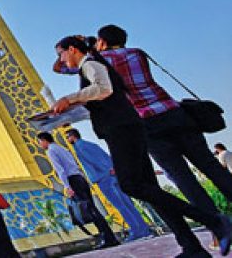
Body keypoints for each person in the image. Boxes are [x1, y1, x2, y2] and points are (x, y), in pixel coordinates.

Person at [51, 35, 231, 257]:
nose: (60, 58)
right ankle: (191, 245)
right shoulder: (132, 54)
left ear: (73, 49)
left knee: (138, 184)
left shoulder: (93, 63)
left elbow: (101, 88)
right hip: (164, 118)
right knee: (157, 187)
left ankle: (214, 221)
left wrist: (69, 99)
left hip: (129, 128)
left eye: (61, 52)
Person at [65, 128, 153, 241]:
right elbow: (105, 156)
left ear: (73, 136)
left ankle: (137, 231)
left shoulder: (79, 147)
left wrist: (105, 170)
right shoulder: (90, 144)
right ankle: (143, 228)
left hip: (104, 178)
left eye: (68, 137)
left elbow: (94, 160)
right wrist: (113, 168)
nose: (67, 139)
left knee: (121, 206)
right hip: (113, 175)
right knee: (127, 203)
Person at [36, 131, 119, 248]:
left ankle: (107, 238)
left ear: (44, 140)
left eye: (40, 142)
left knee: (90, 210)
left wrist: (67, 186)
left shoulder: (51, 151)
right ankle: (109, 236)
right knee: (92, 208)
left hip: (73, 181)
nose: (40, 145)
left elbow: (61, 170)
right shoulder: (62, 148)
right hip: (80, 178)